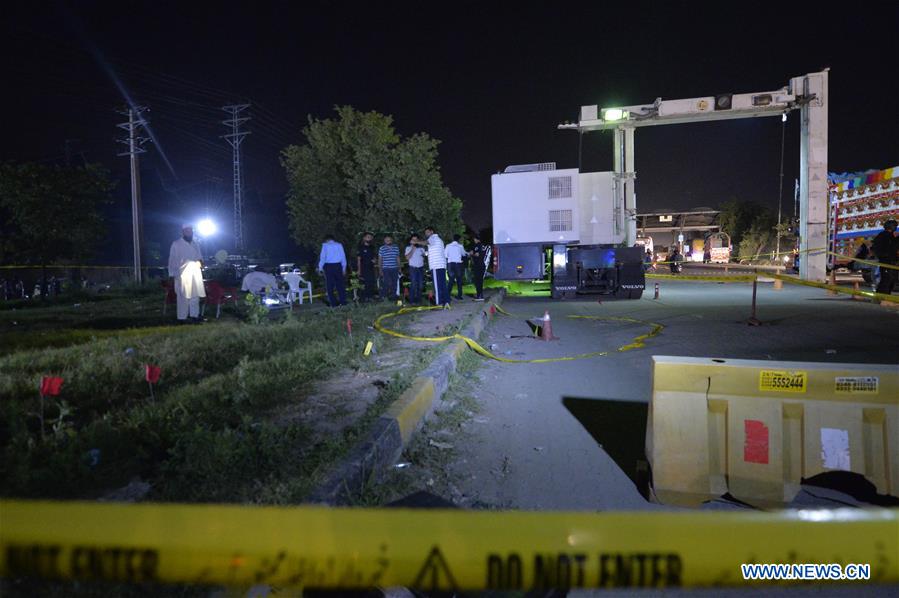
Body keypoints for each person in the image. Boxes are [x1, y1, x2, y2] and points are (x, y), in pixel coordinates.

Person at [168, 224, 206, 323]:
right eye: (187, 231)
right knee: (183, 297)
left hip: (195, 274)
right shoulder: (176, 244)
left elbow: (200, 258)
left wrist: (201, 265)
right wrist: (172, 274)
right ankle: (182, 318)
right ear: (183, 232)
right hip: (182, 275)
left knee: (195, 296)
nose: (189, 232)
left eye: (190, 231)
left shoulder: (195, 244)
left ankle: (194, 316)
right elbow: (172, 260)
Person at [318, 234, 347, 307]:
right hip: (338, 266)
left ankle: (333, 304)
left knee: (330, 286)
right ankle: (343, 302)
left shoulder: (325, 245)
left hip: (329, 267)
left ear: (326, 239)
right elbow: (343, 257)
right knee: (340, 285)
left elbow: (322, 258)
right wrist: (344, 268)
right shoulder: (339, 245)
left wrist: (320, 268)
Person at [423, 226, 449, 307]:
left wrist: (416, 242)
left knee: (437, 285)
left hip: (435, 265)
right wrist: (426, 253)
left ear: (431, 231)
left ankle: (439, 303)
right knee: (443, 284)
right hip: (441, 265)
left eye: (427, 232)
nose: (426, 234)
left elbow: (426, 243)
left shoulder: (432, 238)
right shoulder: (439, 240)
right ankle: (446, 301)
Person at [871, 219, 899, 295]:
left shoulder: (889, 235)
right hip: (886, 261)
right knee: (887, 279)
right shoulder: (885, 235)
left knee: (890, 280)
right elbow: (890, 247)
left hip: (890, 261)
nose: (896, 227)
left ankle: (884, 296)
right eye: (895, 226)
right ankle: (882, 296)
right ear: (890, 226)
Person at [378, 234, 401, 301]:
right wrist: (380, 269)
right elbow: (380, 259)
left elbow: (398, 258)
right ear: (384, 241)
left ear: (392, 240)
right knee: (386, 283)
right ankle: (383, 297)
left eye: (389, 240)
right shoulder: (382, 248)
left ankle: (393, 297)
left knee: (394, 283)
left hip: (394, 268)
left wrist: (399, 268)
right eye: (387, 240)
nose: (388, 241)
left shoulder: (396, 247)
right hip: (385, 269)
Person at [445, 234, 467, 301]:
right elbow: (463, 254)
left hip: (450, 264)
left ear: (453, 239)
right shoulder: (460, 246)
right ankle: (459, 295)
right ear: (459, 239)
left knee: (451, 280)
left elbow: (445, 255)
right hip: (458, 264)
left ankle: (447, 295)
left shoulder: (448, 246)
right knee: (459, 280)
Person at [405, 234, 426, 304]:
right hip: (413, 268)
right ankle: (412, 300)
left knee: (420, 285)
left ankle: (419, 300)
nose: (415, 241)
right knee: (413, 284)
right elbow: (407, 258)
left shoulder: (421, 248)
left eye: (416, 240)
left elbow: (424, 256)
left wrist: (424, 255)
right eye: (413, 240)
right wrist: (413, 249)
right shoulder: (408, 248)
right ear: (410, 241)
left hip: (420, 268)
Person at [356, 232, 377, 302]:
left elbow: (374, 257)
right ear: (364, 238)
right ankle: (363, 298)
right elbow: (359, 259)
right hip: (363, 268)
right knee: (363, 283)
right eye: (368, 237)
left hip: (371, 268)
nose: (369, 238)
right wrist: (359, 270)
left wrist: (375, 260)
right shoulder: (360, 247)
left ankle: (370, 297)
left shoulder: (372, 247)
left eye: (370, 237)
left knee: (371, 282)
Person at [469, 233, 490, 301]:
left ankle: (480, 295)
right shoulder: (477, 245)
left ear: (477, 239)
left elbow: (477, 254)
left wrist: (473, 254)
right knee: (478, 281)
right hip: (478, 265)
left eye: (474, 239)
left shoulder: (479, 246)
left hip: (479, 265)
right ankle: (479, 295)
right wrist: (472, 253)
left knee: (478, 281)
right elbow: (472, 253)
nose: (474, 240)